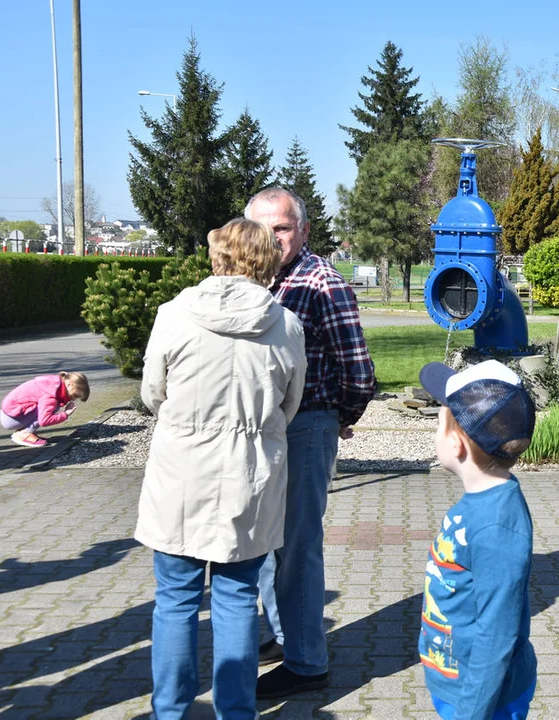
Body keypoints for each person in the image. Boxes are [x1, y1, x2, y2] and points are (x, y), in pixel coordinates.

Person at [135, 218, 306, 719]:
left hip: (180, 475)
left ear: (217, 258)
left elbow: (152, 393)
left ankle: (170, 711)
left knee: (175, 600)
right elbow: (290, 404)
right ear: (266, 261)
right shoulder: (285, 324)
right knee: (236, 598)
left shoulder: (174, 314)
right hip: (250, 475)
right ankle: (236, 711)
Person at [244, 186, 378, 698]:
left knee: (297, 547)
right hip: (268, 426)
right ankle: (287, 636)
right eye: (262, 228)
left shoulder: (322, 282)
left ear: (301, 230)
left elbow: (359, 369)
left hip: (307, 425)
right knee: (266, 542)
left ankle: (306, 663)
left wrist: (339, 416)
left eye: (281, 227)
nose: (271, 238)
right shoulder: (257, 279)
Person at [416, 359, 538, 720]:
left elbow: (497, 634)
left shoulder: (496, 526)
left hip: (483, 700)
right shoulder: (479, 504)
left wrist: (472, 711)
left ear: (456, 444)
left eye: (439, 425)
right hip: (458, 682)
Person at [0, 371, 89, 447]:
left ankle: (25, 430)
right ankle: (23, 434)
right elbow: (44, 420)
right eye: (75, 395)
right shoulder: (51, 395)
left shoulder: (52, 384)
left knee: (51, 406)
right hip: (12, 418)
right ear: (69, 385)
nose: (73, 399)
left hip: (10, 411)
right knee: (53, 407)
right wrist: (65, 414)